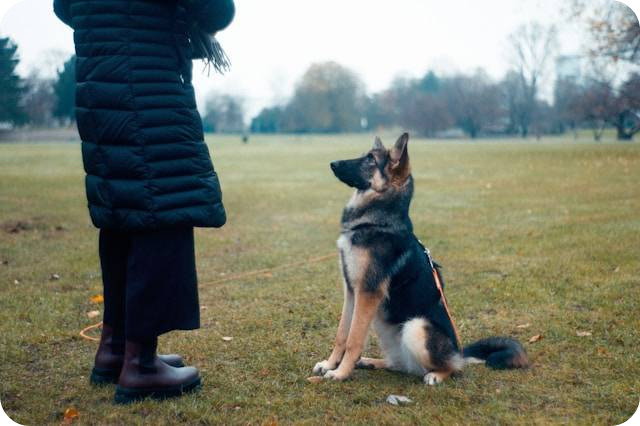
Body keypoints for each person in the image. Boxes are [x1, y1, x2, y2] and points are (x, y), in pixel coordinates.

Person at [53, 0, 235, 404]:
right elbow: (217, 10)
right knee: (163, 209)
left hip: (100, 84)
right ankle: (142, 364)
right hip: (148, 86)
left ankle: (116, 349)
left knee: (125, 211)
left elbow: (64, 7)